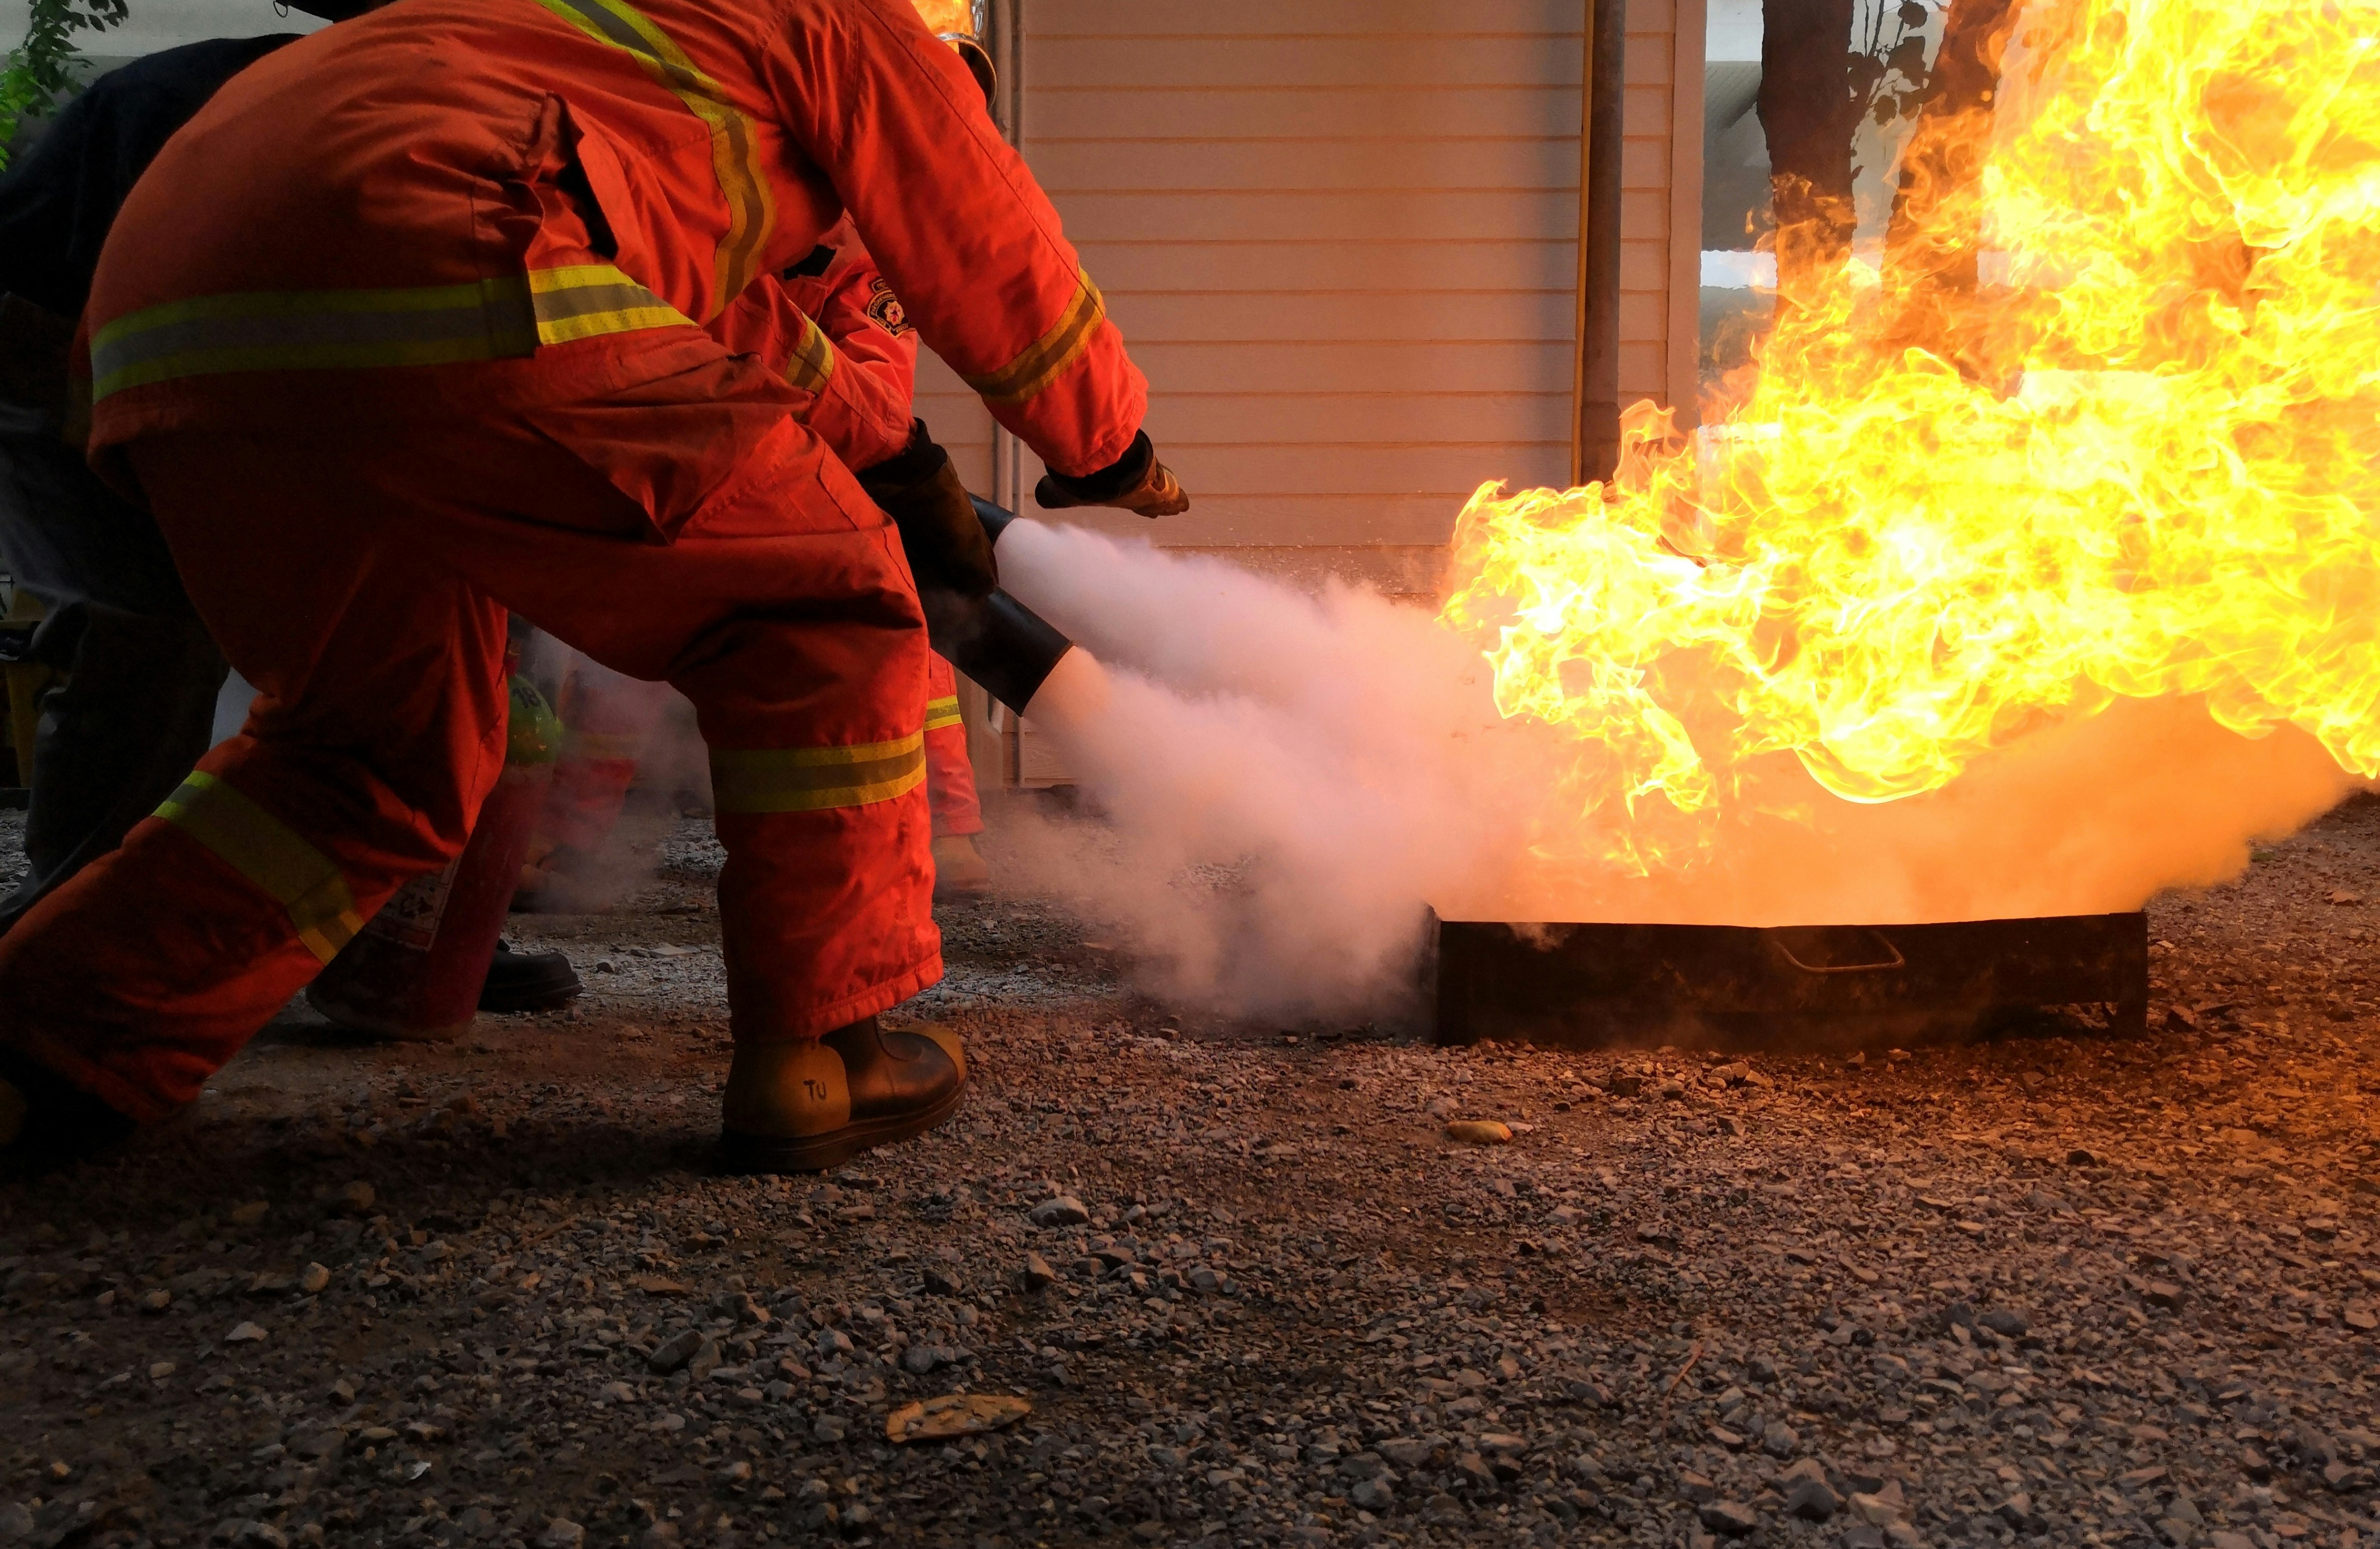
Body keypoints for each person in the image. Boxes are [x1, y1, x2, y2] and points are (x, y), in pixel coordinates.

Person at [0, 0, 1186, 1173]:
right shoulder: (835, 16)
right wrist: (1109, 450)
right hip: (443, 248)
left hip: (170, 335)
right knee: (822, 606)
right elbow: (981, 231)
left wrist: (900, 457)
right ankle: (825, 1052)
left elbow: (728, 314)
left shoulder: (589, 48)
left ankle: (50, 1045)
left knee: (364, 749)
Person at [0, 8, 367, 939]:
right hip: (56, 362)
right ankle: (79, 920)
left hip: (189, 376)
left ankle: (359, 926)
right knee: (153, 627)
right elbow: (80, 327)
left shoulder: (383, 109)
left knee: (380, 641)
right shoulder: (211, 108)